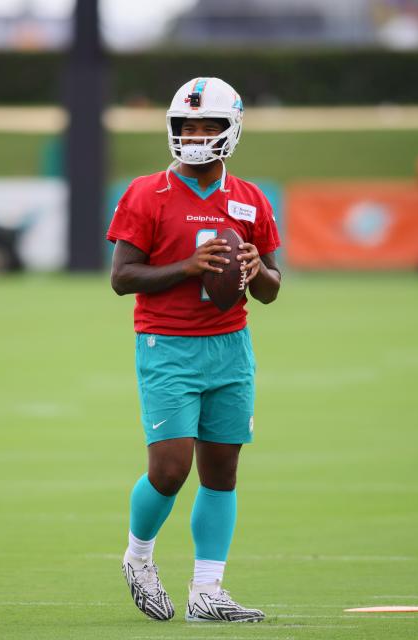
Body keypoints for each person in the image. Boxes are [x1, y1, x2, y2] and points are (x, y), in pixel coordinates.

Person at [107, 77, 282, 623]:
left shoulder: (251, 200)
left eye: (208, 126)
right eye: (186, 125)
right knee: (169, 467)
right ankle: (138, 557)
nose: (194, 135)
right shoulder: (145, 192)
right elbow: (121, 277)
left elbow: (273, 286)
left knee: (222, 468)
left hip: (231, 346)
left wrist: (257, 271)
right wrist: (186, 268)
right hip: (168, 345)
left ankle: (208, 590)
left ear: (231, 131)